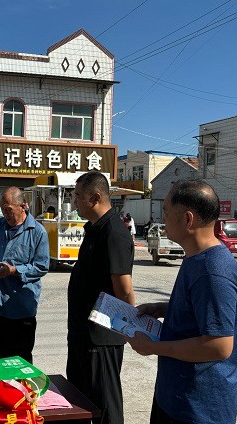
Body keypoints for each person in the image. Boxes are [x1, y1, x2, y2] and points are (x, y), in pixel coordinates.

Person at [126, 180, 237, 424]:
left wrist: (153, 347)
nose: (163, 219)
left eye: (166, 213)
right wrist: (163, 309)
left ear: (187, 219)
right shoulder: (196, 257)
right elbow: (201, 313)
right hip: (176, 397)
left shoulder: (213, 271)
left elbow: (219, 346)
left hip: (198, 410)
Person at [67, 171, 135, 424]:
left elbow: (124, 289)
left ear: (95, 197)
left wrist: (132, 328)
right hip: (83, 333)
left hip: (101, 337)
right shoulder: (94, 229)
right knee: (81, 400)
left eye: (78, 196)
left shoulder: (113, 232)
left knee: (106, 406)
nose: (74, 201)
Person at [0, 186, 49, 364]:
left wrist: (14, 271)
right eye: (2, 209)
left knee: (19, 363)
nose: (5, 214)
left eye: (8, 210)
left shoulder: (37, 232)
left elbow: (41, 267)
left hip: (19, 309)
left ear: (23, 206)